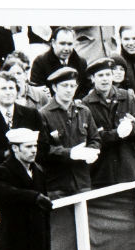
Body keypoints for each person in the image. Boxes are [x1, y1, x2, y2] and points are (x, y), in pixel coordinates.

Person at [0, 70, 45, 181]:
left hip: (29, 177)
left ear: (17, 91)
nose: (8, 92)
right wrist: (6, 154)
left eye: (11, 88)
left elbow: (44, 145)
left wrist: (27, 156)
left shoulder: (31, 115)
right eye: (3, 88)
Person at [39, 67, 101, 198]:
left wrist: (91, 151)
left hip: (82, 182)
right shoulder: (43, 114)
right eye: (64, 85)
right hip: (57, 185)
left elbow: (95, 139)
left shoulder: (84, 111)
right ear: (55, 88)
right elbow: (41, 150)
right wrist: (70, 153)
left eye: (72, 86)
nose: (69, 90)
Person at [82, 57, 135, 187]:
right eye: (100, 75)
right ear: (92, 79)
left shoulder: (126, 97)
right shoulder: (85, 105)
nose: (105, 79)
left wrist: (132, 127)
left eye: (108, 74)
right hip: (102, 172)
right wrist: (118, 134)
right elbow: (92, 137)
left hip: (128, 168)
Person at [30, 27, 88, 98]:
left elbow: (86, 89)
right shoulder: (40, 62)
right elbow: (36, 91)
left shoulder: (81, 62)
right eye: (62, 44)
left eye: (69, 44)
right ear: (53, 43)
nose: (66, 48)